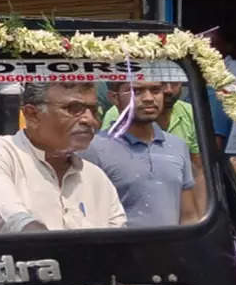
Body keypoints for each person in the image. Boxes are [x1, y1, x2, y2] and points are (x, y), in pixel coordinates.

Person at [0, 82, 125, 232]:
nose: (90, 120)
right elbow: (7, 218)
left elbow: (120, 244)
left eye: (93, 111)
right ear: (32, 115)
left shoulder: (96, 177)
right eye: (74, 109)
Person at [81, 82, 199, 227]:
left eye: (155, 90)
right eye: (136, 91)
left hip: (173, 247)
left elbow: (189, 216)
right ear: (114, 97)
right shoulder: (93, 149)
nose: (149, 98)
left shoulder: (177, 146)